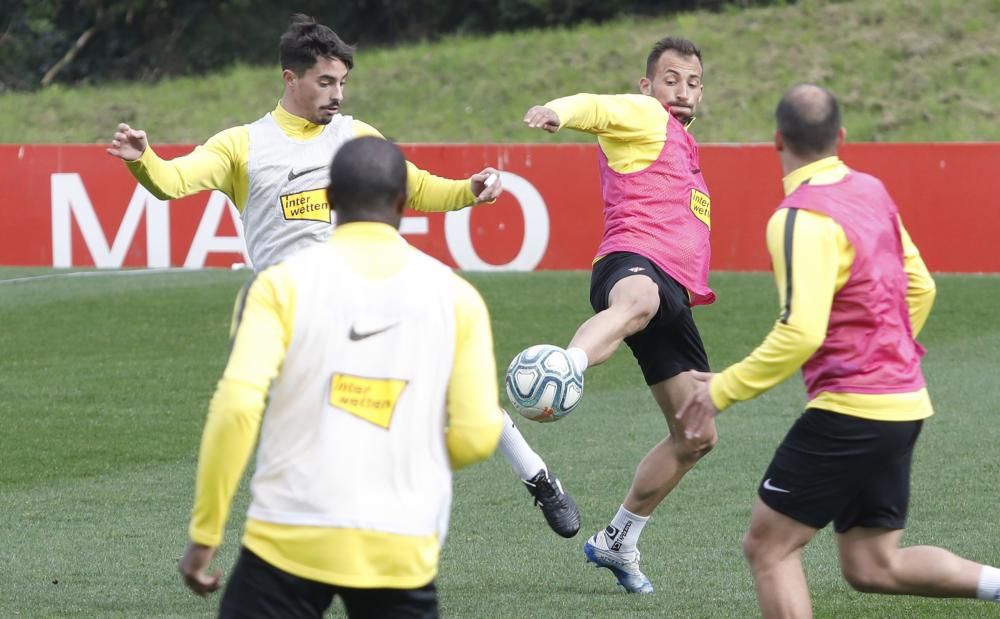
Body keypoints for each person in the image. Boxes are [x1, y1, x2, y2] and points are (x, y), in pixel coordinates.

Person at [107, 13, 579, 538]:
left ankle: (537, 477)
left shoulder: (355, 135)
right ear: (290, 78)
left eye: (342, 83)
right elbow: (173, 182)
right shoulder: (242, 145)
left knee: (447, 385)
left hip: (374, 290)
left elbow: (416, 187)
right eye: (325, 82)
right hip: (299, 316)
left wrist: (469, 188)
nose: (337, 93)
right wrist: (143, 159)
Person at [677, 84, 1000, 617]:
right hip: (904, 403)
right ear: (841, 137)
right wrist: (885, 354)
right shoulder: (871, 189)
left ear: (776, 140)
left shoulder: (797, 217)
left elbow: (800, 332)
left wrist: (721, 389)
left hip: (851, 410)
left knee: (768, 547)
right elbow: (922, 287)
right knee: (873, 565)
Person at [177, 136, 505, 618]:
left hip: (287, 535)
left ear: (328, 199)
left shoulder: (278, 286)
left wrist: (205, 535)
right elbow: (479, 436)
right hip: (400, 543)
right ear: (402, 203)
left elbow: (237, 406)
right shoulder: (458, 298)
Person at [522, 36, 715, 593]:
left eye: (693, 82)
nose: (682, 91)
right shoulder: (644, 115)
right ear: (648, 86)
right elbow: (596, 108)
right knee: (641, 301)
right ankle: (565, 366)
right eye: (671, 79)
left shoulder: (682, 143)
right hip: (631, 265)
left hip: (671, 292)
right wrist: (557, 112)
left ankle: (618, 539)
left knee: (696, 434)